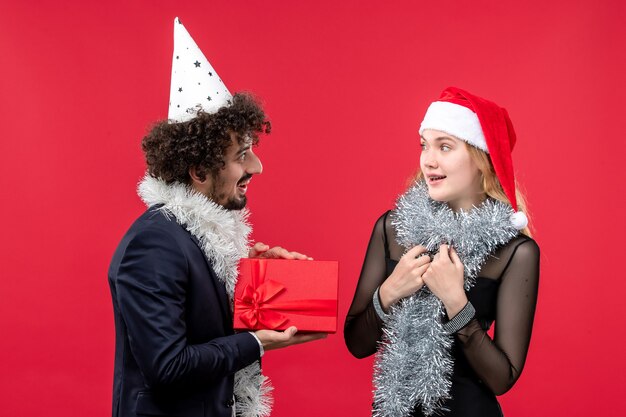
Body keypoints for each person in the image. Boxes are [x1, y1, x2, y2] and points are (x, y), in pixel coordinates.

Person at [108, 18, 324, 417]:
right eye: (242, 155)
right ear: (200, 170)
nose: (257, 167)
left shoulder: (196, 239)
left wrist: (257, 285)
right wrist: (258, 342)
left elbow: (205, 325)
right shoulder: (154, 245)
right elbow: (168, 368)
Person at [344, 87, 540, 417]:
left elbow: (501, 378)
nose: (428, 159)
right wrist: (390, 291)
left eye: (444, 146)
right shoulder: (393, 229)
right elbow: (356, 344)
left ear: (481, 159)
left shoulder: (515, 252)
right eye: (424, 145)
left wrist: (456, 302)